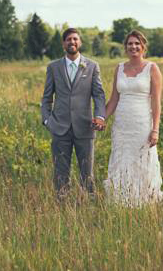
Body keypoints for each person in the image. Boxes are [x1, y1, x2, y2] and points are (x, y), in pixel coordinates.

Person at [103, 29, 163, 206]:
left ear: (143, 47)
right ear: (125, 47)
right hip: (122, 126)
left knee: (142, 161)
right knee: (121, 160)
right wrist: (102, 118)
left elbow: (156, 102)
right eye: (130, 43)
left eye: (137, 43)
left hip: (142, 125)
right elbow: (114, 99)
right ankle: (121, 200)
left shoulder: (152, 68)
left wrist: (155, 129)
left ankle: (144, 200)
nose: (133, 46)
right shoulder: (119, 68)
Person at [40, 27, 106, 198]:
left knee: (87, 172)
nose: (72, 42)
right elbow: (47, 97)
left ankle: (90, 203)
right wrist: (48, 121)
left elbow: (98, 94)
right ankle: (62, 202)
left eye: (75, 39)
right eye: (68, 39)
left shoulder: (92, 66)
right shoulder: (53, 67)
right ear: (63, 43)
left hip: (85, 127)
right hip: (60, 127)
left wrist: (99, 116)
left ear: (80, 42)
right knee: (60, 173)